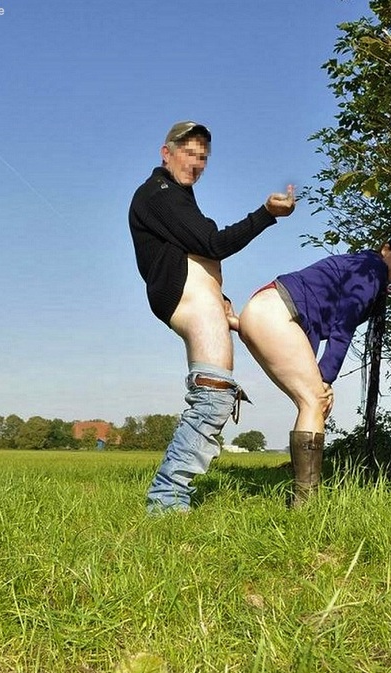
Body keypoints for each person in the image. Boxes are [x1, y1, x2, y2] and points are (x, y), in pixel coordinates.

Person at [129, 121, 295, 513]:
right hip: (186, 298)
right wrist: (265, 214)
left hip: (200, 298)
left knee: (216, 395)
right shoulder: (158, 193)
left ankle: (170, 496)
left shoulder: (178, 198)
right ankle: (166, 499)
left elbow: (196, 251)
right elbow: (212, 243)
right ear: (166, 153)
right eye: (189, 152)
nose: (196, 162)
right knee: (214, 394)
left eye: (203, 156)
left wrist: (218, 296)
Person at [237, 230, 391, 505]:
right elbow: (343, 326)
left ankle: (304, 495)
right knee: (315, 399)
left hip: (267, 311)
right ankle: (305, 504)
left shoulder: (364, 267)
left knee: (315, 402)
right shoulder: (370, 270)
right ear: (385, 249)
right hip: (275, 312)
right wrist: (326, 377)